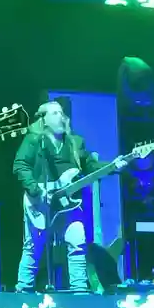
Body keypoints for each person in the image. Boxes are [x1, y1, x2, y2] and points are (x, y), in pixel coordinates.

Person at [13, 99, 126, 291]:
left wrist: (113, 166)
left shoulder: (75, 142)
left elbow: (91, 166)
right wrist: (36, 190)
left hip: (70, 205)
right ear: (44, 119)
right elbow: (20, 166)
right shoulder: (34, 140)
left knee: (77, 242)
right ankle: (23, 288)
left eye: (62, 113)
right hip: (40, 202)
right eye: (55, 113)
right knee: (34, 246)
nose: (61, 116)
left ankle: (79, 290)